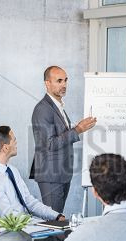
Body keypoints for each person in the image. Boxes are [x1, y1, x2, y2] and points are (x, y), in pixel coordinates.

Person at [31, 66, 97, 213]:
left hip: (60, 173)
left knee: (57, 219)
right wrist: (78, 129)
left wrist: (77, 126)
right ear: (47, 83)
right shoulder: (43, 109)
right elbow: (49, 144)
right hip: (51, 174)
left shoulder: (57, 106)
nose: (64, 85)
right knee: (53, 221)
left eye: (66, 80)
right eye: (59, 81)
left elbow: (58, 131)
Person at [0, 126, 64, 221]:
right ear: (5, 148)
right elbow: (10, 218)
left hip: (25, 227)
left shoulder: (12, 170)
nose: (16, 143)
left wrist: (56, 216)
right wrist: (40, 223)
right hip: (7, 233)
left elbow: (29, 201)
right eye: (14, 140)